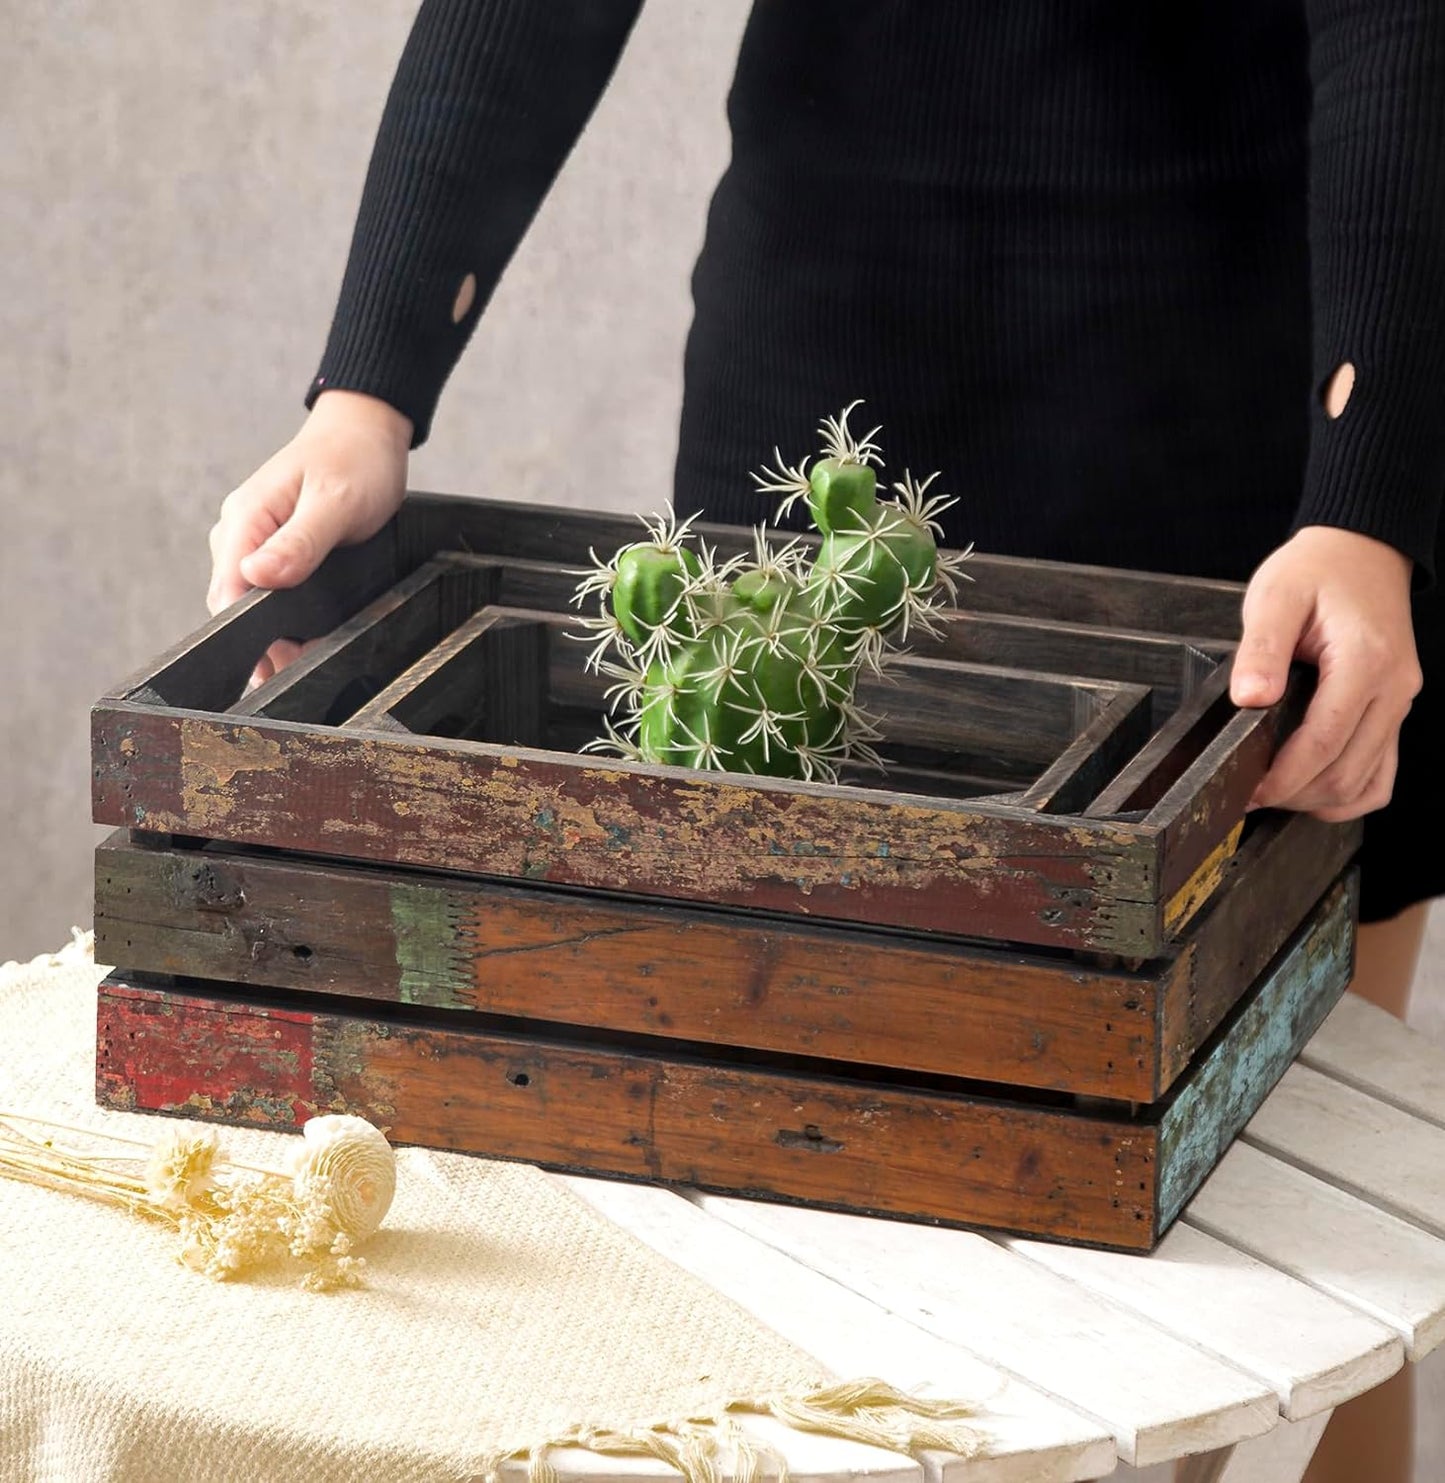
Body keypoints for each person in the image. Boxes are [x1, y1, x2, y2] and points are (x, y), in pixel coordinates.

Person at [206, 6, 1443, 1478]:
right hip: (829, 350)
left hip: (1285, 387)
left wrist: (1363, 500)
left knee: (1298, 1235)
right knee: (781, 1153)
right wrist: (367, 391)